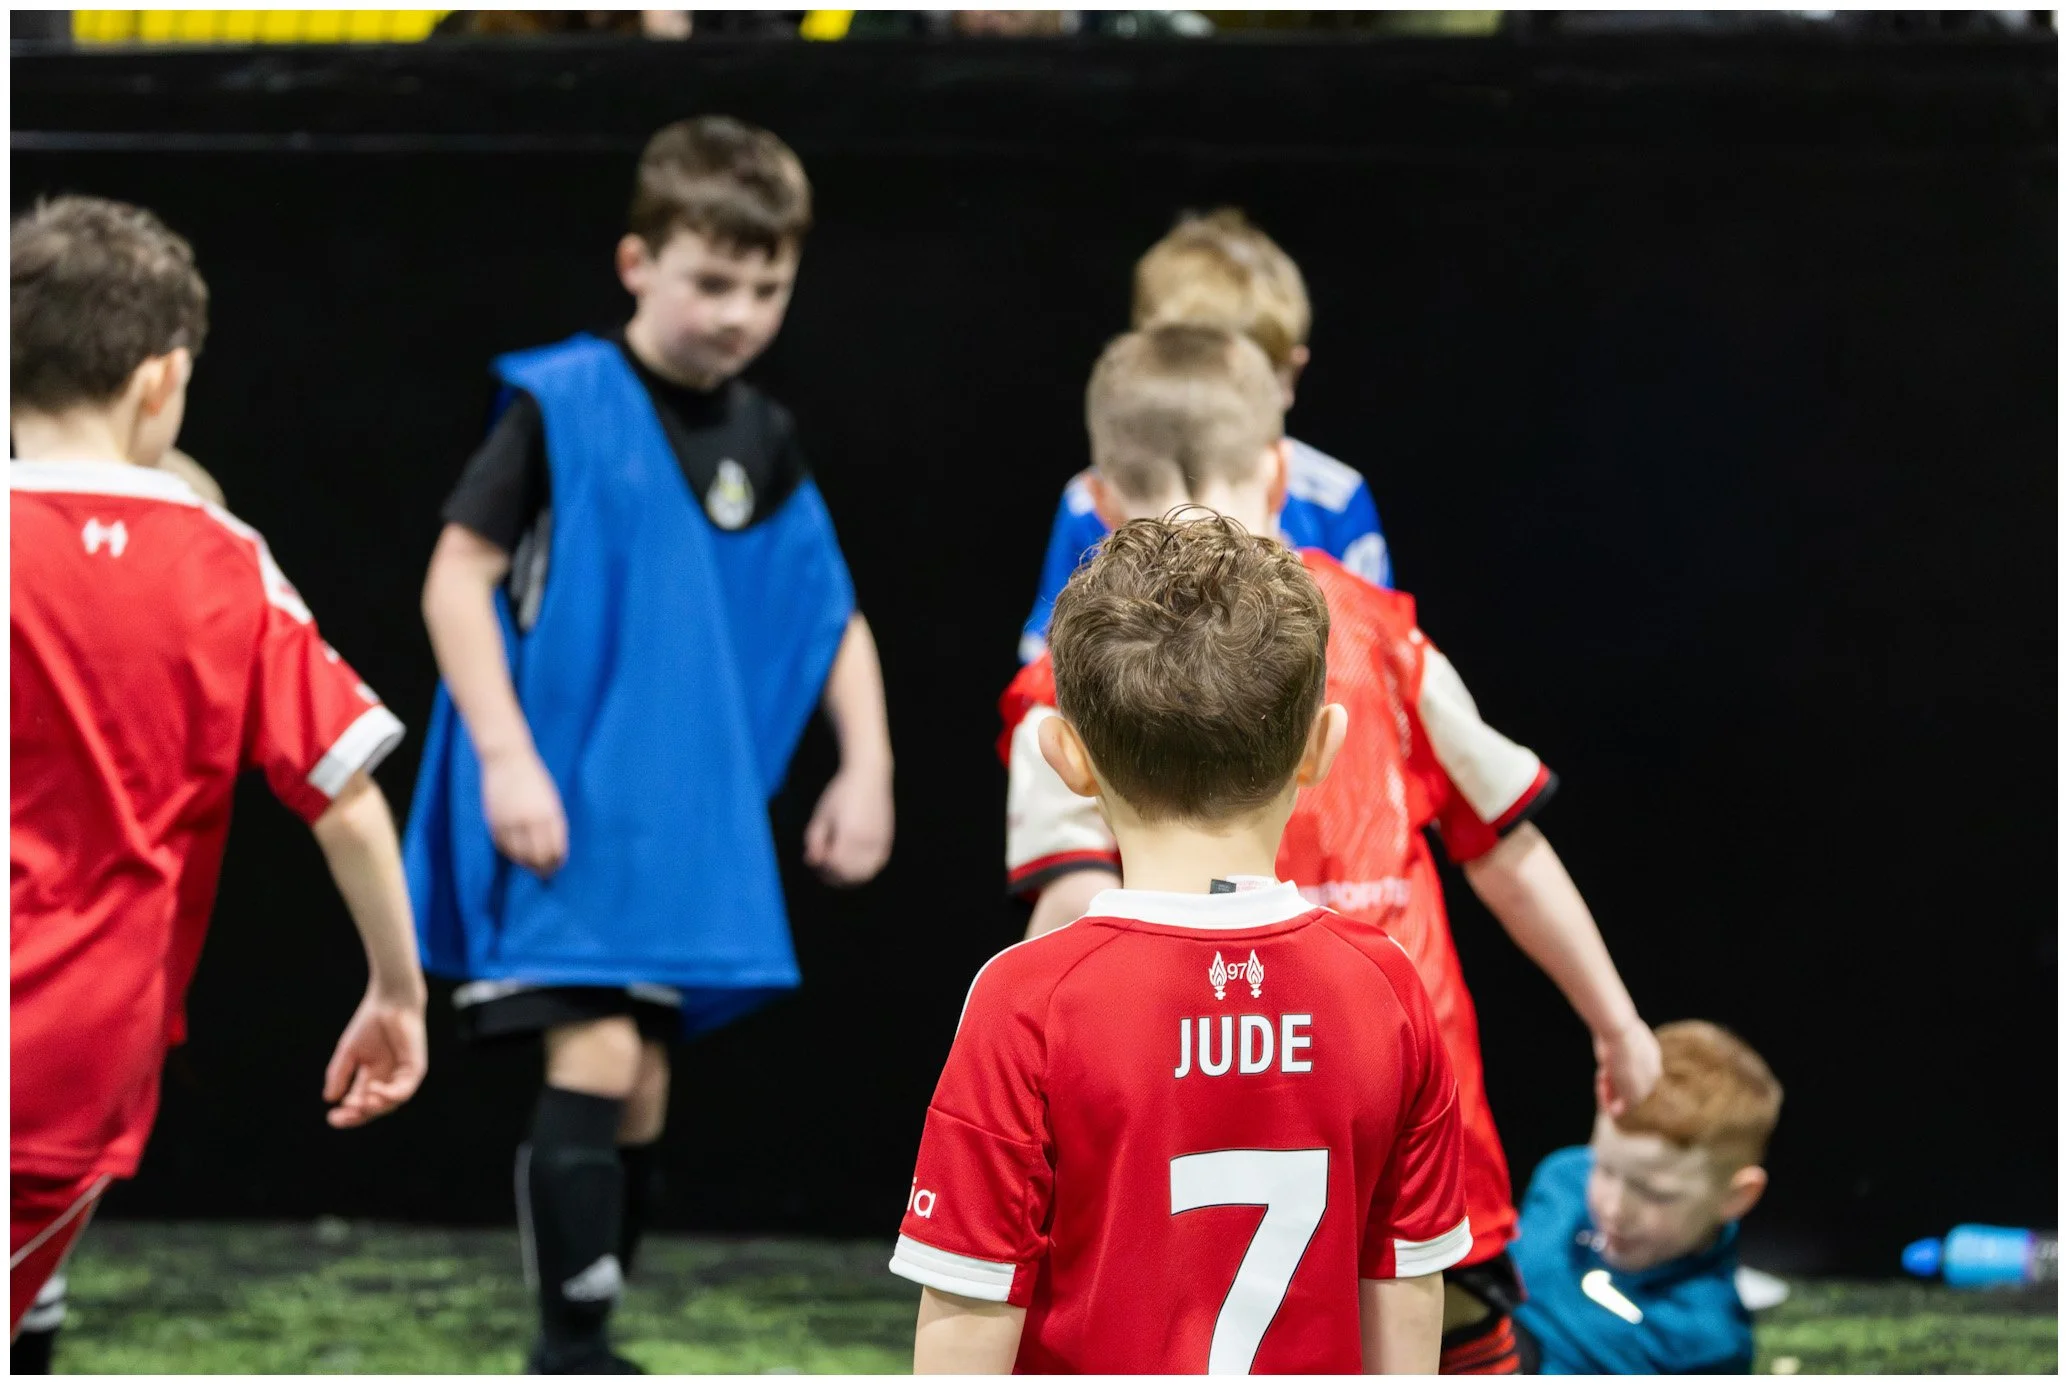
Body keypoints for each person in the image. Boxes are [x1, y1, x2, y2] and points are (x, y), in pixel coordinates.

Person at [998, 324, 1661, 1373]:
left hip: (1182, 1129)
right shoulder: (1387, 641)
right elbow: (1507, 847)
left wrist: (1009, 1074)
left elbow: (1066, 914)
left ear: (1100, 496)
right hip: (1397, 1119)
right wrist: (1616, 1021)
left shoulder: (1064, 685)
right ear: (1276, 467)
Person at [403, 116, 895, 1374]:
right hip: (564, 803)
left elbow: (827, 610)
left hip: (672, 827)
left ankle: (594, 1324)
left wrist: (867, 764)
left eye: (767, 286)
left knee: (644, 1080)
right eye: (711, 281)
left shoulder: (762, 439)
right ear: (637, 263)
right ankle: (567, 1345)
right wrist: (506, 756)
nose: (738, 312)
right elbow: (457, 582)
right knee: (603, 1046)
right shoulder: (558, 404)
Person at [894, 511, 1470, 1373]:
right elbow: (1408, 1293)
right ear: (1321, 747)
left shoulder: (1029, 999)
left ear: (1064, 757)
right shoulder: (1385, 988)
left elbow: (967, 1312)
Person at [9, 196, 428, 1369]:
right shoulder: (223, 557)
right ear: (163, 378)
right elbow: (343, 795)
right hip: (74, 1047)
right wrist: (397, 989)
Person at [1016, 208, 1389, 664]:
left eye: (1237, 383)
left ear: (1288, 374)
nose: (1204, 406)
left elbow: (1376, 652)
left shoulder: (1335, 499)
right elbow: (1047, 658)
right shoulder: (1089, 500)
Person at [1511, 1021, 1782, 1374]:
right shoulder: (1561, 1179)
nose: (1615, 1209)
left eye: (1656, 1194)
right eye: (1605, 1168)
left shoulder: (1706, 1342)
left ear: (1737, 1197)